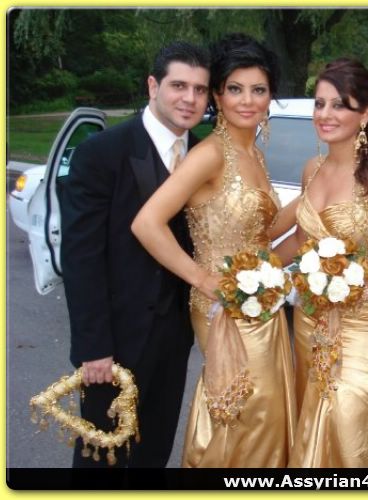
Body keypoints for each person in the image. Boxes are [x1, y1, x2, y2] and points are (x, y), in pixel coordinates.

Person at [131, 33, 297, 468]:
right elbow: (147, 223)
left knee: (264, 410)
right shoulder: (209, 154)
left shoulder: (253, 153)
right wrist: (202, 278)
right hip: (221, 308)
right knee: (246, 409)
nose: (248, 101)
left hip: (262, 303)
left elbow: (258, 234)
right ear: (218, 97)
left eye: (258, 90)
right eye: (235, 89)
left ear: (270, 96)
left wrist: (310, 202)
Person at [60, 41, 210, 468]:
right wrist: (93, 348)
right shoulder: (102, 152)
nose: (190, 98)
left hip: (174, 339)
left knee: (153, 455)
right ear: (152, 86)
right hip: (114, 342)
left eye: (200, 89)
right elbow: (82, 257)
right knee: (102, 461)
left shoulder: (204, 154)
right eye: (179, 85)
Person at [276, 58, 368, 468]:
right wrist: (258, 270)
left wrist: (356, 293)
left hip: (360, 321)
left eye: (339, 104)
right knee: (314, 417)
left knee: (350, 420)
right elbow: (302, 240)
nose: (325, 114)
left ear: (365, 114)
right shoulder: (313, 169)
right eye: (319, 103)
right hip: (310, 317)